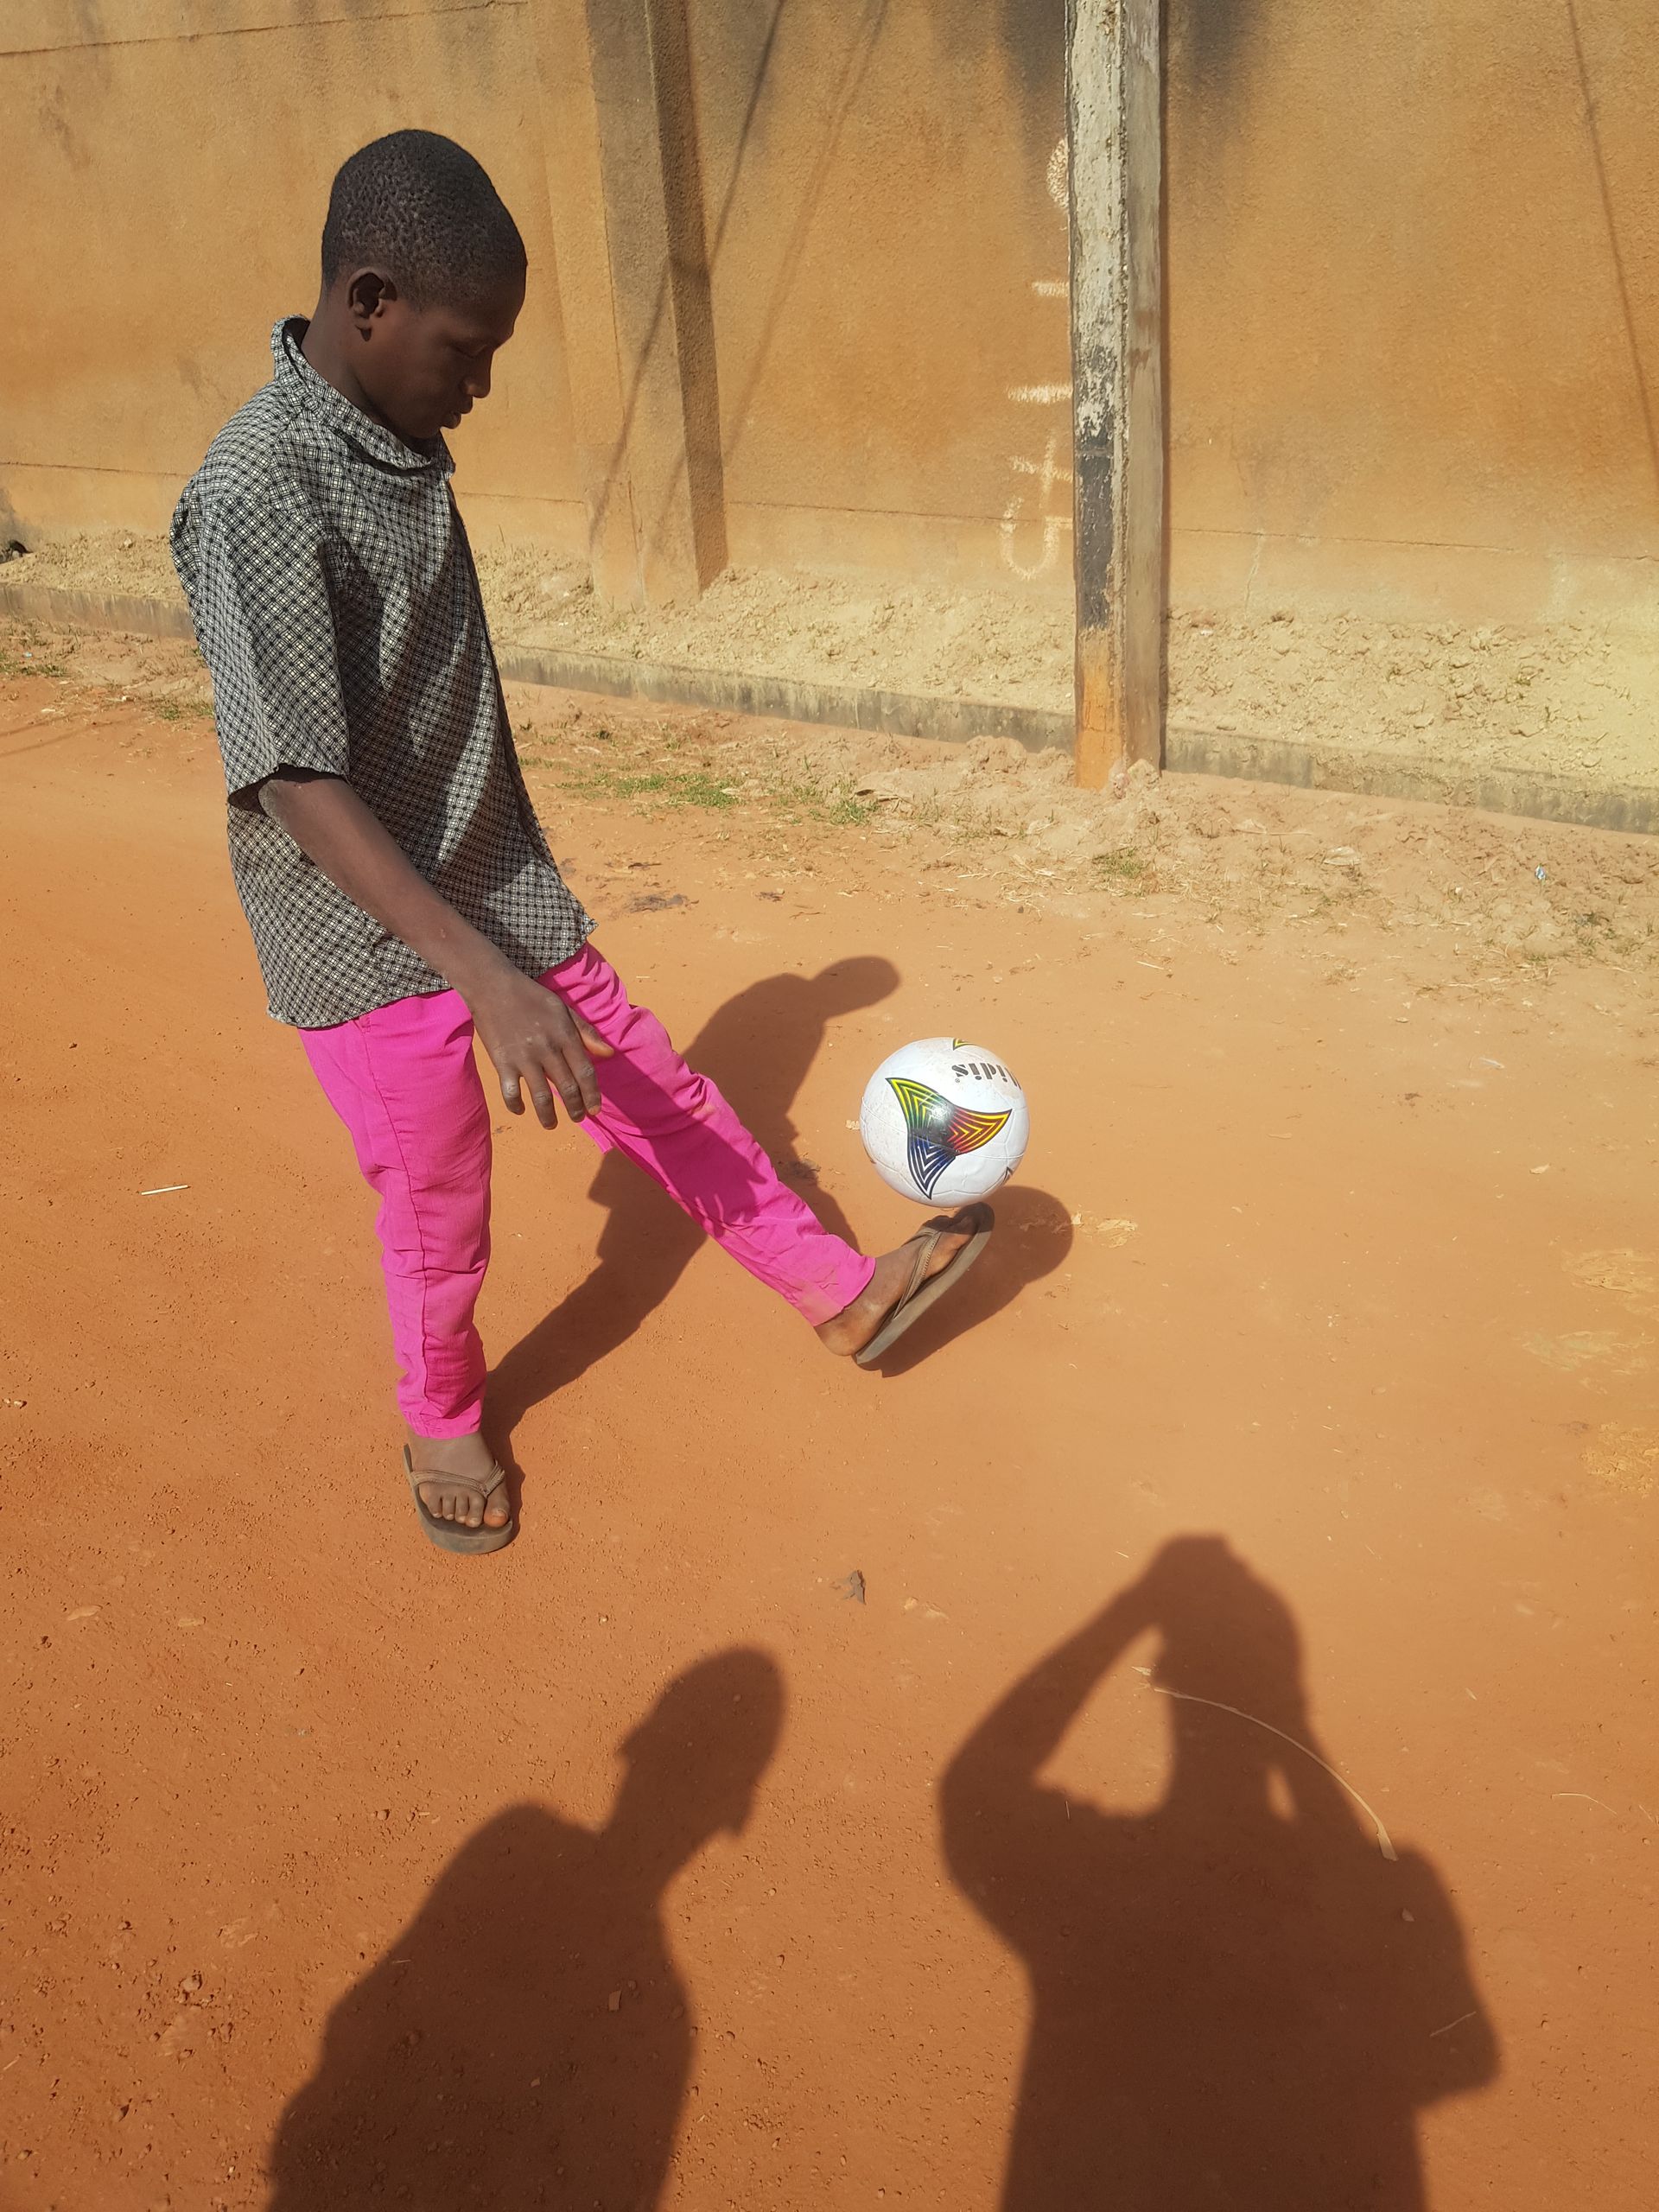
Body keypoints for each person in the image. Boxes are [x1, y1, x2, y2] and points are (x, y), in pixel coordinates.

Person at [170, 130, 990, 1555]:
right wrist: (479, 980)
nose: (482, 385)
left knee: (659, 1087)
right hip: (358, 934)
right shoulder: (256, 492)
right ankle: (441, 1412)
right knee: (440, 1199)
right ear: (369, 304)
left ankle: (838, 1294)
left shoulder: (394, 435)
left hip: (489, 879)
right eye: (467, 350)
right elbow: (295, 779)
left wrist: (503, 945)